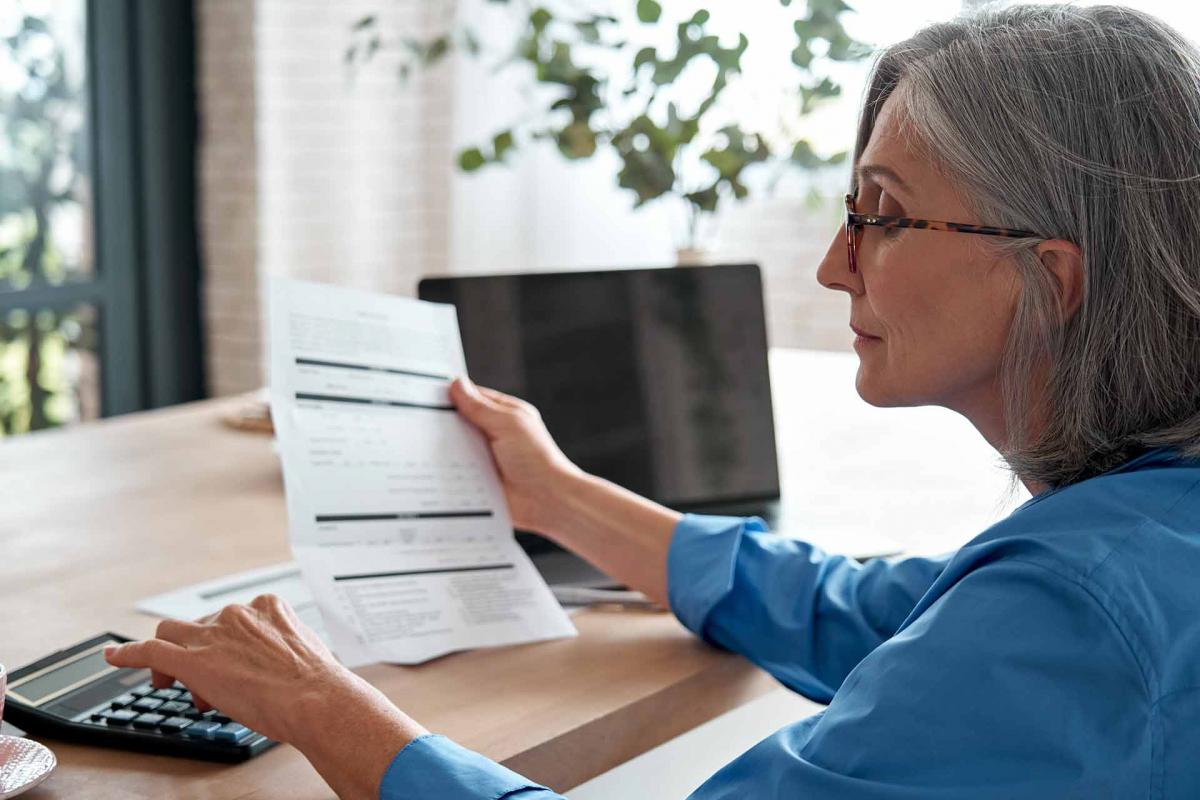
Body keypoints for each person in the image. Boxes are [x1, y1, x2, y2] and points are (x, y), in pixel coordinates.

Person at [106, 4, 1200, 798]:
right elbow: (872, 613)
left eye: (884, 213)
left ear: (1049, 281)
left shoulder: (1077, 613)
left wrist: (319, 703)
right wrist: (566, 496)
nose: (833, 263)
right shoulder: (1137, 541)